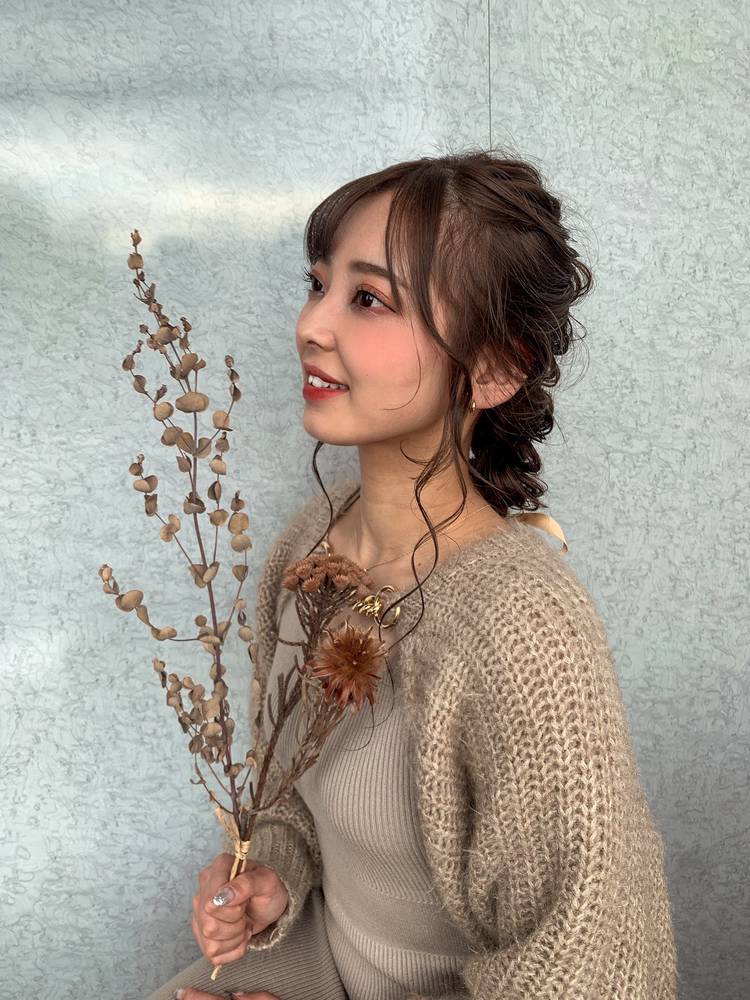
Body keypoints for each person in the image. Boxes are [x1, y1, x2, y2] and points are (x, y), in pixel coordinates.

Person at [145, 147, 678, 1000]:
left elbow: (593, 971)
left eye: (368, 299)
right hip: (324, 955)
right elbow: (288, 800)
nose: (311, 325)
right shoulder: (308, 546)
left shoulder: (524, 629)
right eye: (317, 284)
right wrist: (269, 877)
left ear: (495, 366)